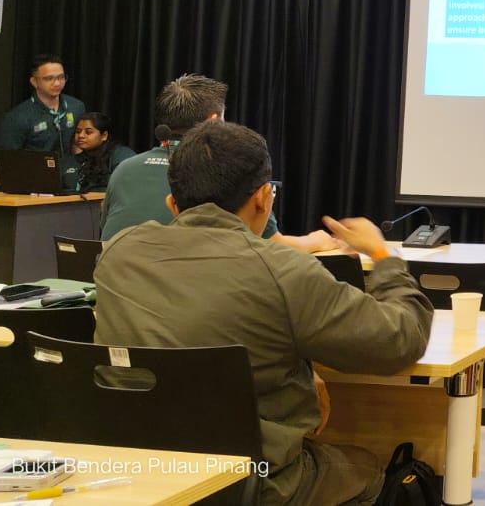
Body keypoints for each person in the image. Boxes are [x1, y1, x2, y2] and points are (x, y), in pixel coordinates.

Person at [94, 121, 434, 506]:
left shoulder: (118, 254)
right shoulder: (283, 270)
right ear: (262, 198)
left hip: (138, 473)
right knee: (369, 469)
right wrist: (384, 256)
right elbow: (400, 340)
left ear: (173, 204)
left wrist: (303, 367)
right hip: (250, 480)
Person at [100, 73, 331, 252]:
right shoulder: (223, 169)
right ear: (213, 122)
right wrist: (316, 241)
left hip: (114, 291)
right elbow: (271, 245)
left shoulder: (123, 169)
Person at [0, 54, 85, 180]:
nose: (57, 83)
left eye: (61, 77)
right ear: (34, 81)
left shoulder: (76, 107)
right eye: (49, 78)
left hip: (71, 176)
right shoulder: (17, 117)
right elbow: (9, 161)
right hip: (34, 179)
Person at [63, 111, 137, 192]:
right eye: (78, 131)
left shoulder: (121, 155)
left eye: (88, 132)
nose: (81, 135)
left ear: (104, 136)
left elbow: (129, 187)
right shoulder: (71, 160)